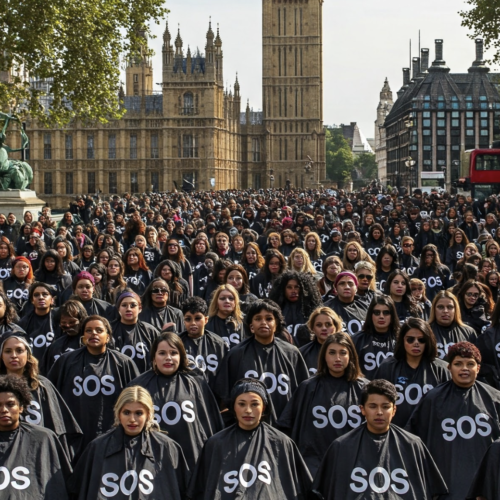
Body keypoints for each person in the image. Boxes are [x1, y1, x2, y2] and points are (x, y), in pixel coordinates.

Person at [312, 379, 448, 499]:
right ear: (362, 409)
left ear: (394, 410)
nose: (379, 412)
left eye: (385, 406)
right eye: (372, 406)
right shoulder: (341, 446)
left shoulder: (413, 445)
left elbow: (433, 491)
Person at [187, 378, 313, 499]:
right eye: (241, 404)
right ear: (234, 407)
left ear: (263, 407)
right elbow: (200, 490)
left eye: (254, 404)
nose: (248, 410)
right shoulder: (215, 443)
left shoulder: (281, 443)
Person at [407, 342, 500, 500]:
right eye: (458, 364)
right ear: (449, 368)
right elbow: (413, 442)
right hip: (447, 490)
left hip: (485, 490)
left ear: (478, 368)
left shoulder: (495, 398)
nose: (464, 368)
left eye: (470, 364)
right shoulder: (432, 399)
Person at [69, 386, 190, 499]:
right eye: (126, 412)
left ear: (148, 414)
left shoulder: (167, 448)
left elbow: (185, 492)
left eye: (138, 413)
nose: (132, 419)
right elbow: (76, 490)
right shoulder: (97, 448)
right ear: (118, 414)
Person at [129, 333, 223, 470]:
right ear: (154, 357)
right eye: (162, 353)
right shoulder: (138, 386)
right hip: (151, 463)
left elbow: (210, 425)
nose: (168, 358)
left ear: (181, 356)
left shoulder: (196, 383)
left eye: (173, 353)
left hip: (192, 461)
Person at [278, 333, 368, 475]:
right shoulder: (307, 387)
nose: (337, 358)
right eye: (332, 353)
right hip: (313, 465)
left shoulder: (365, 388)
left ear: (350, 355)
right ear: (324, 356)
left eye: (343, 352)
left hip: (354, 464)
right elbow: (286, 426)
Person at [48, 315, 140, 450]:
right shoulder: (66, 361)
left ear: (108, 336)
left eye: (99, 330)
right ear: (83, 336)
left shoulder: (123, 363)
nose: (94, 334)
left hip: (113, 433)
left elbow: (137, 397)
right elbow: (50, 393)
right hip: (75, 435)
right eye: (89, 330)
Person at [215, 300, 309, 423]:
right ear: (251, 326)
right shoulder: (236, 354)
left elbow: (302, 395)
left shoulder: (292, 353)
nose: (263, 322)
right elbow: (224, 396)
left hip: (284, 428)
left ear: (276, 325)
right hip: (247, 428)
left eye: (269, 319)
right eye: (258, 319)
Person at [0, 332, 83, 463]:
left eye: (19, 350)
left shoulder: (42, 386)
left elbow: (57, 427)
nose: (14, 355)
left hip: (36, 453)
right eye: (8, 351)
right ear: (1, 356)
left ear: (28, 355)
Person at [0, 375, 72, 498]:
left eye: (10, 404)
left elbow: (59, 486)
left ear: (21, 407)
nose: (4, 410)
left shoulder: (43, 438)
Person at [374, 318, 450, 427]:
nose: (416, 343)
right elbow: (376, 401)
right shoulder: (387, 367)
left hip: (430, 432)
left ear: (428, 341)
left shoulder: (442, 369)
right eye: (410, 339)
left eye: (421, 340)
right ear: (402, 340)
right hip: (396, 433)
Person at [178, 296, 228, 388]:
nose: (193, 323)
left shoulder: (219, 344)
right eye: (188, 319)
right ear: (183, 321)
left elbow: (224, 379)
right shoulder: (176, 343)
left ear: (206, 320)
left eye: (197, 318)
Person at [269, 271, 323, 345]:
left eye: (296, 287)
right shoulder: (275, 310)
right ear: (283, 289)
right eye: (289, 287)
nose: (293, 291)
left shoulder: (313, 310)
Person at [352, 295, 400, 380]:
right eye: (377, 313)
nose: (381, 316)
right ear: (371, 315)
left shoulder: (401, 339)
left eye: (386, 313)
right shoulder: (357, 339)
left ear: (392, 316)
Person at [112, 291, 160, 373]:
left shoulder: (150, 331)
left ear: (140, 308)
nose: (128, 309)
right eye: (124, 305)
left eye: (133, 305)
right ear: (118, 309)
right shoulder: (109, 330)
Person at [40, 300, 88, 375]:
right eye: (64, 323)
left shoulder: (90, 343)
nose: (68, 325)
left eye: (72, 322)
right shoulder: (55, 346)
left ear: (81, 320)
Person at [429, 290, 478, 360]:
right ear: (434, 309)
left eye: (450, 307)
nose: (445, 311)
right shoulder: (425, 331)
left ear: (456, 309)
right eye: (440, 307)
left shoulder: (469, 332)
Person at [18, 282, 58, 361]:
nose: (41, 297)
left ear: (52, 300)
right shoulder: (24, 322)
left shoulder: (59, 317)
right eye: (36, 295)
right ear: (32, 300)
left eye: (45, 294)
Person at [299, 307, 343, 375]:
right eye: (319, 325)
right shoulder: (302, 353)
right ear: (312, 328)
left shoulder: (346, 351)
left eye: (328, 324)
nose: (324, 328)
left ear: (336, 326)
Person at [324, 271, 369, 336]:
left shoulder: (366, 307)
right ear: (335, 288)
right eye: (342, 284)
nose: (347, 287)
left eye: (350, 284)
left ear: (356, 288)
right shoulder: (326, 309)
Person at [206, 284, 246, 350]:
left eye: (231, 298)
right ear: (216, 302)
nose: (227, 301)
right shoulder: (207, 323)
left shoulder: (244, 321)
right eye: (222, 298)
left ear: (235, 302)